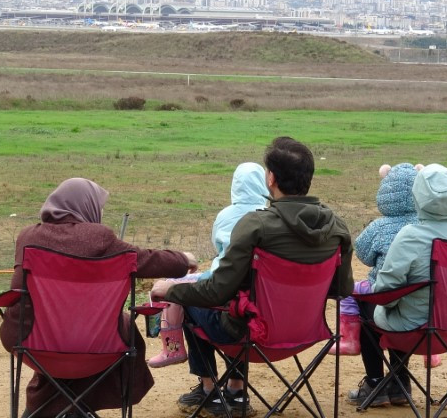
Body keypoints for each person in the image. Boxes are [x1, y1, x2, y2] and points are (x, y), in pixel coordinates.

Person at [151, 136, 354, 418]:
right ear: (309, 177)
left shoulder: (256, 226)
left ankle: (209, 389)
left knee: (199, 303)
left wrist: (171, 289)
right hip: (305, 333)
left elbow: (215, 292)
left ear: (271, 178)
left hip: (252, 335)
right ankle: (235, 391)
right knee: (241, 304)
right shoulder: (337, 228)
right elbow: (343, 288)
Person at [0, 178, 197, 418]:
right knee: (111, 331)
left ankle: (48, 409)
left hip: (28, 338)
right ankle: (77, 408)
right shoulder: (99, 238)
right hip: (92, 343)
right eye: (99, 206)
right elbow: (145, 259)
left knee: (65, 337)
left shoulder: (28, 236)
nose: (101, 212)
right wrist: (183, 260)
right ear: (86, 206)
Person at [347, 164, 447, 408]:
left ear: (419, 197)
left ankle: (375, 383)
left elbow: (385, 294)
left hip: (419, 330)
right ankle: (399, 383)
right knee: (405, 305)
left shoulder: (412, 235)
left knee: (373, 308)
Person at [149, 162, 269, 368]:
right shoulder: (271, 217)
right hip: (267, 313)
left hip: (227, 298)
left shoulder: (226, 216)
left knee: (180, 291)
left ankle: (175, 351)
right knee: (236, 299)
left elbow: (218, 247)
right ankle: (235, 387)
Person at [331, 163, 422, 356]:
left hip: (384, 296)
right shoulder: (426, 227)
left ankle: (351, 340)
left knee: (353, 293)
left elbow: (363, 253)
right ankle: (427, 353)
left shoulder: (380, 227)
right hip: (423, 305)